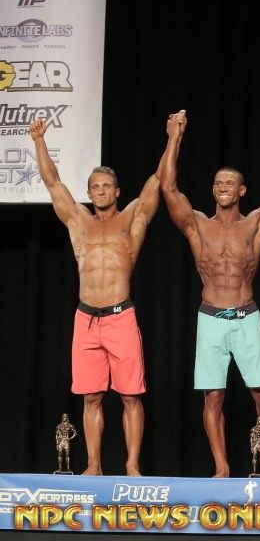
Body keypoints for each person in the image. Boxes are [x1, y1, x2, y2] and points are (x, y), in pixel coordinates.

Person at [160, 109, 260, 478]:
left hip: (246, 315)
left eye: (230, 183)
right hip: (211, 318)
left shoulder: (256, 224)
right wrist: (174, 137)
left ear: (242, 190)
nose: (223, 187)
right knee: (213, 396)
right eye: (218, 183)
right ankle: (221, 467)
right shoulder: (198, 225)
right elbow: (168, 188)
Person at [31, 118, 164, 476]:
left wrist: (173, 138)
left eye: (106, 186)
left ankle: (132, 466)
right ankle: (93, 465)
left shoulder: (133, 217)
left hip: (120, 316)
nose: (101, 191)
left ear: (117, 192)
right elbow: (52, 182)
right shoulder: (78, 220)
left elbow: (159, 179)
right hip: (86, 318)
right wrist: (38, 140)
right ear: (89, 192)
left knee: (130, 395)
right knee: (91, 396)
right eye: (95, 186)